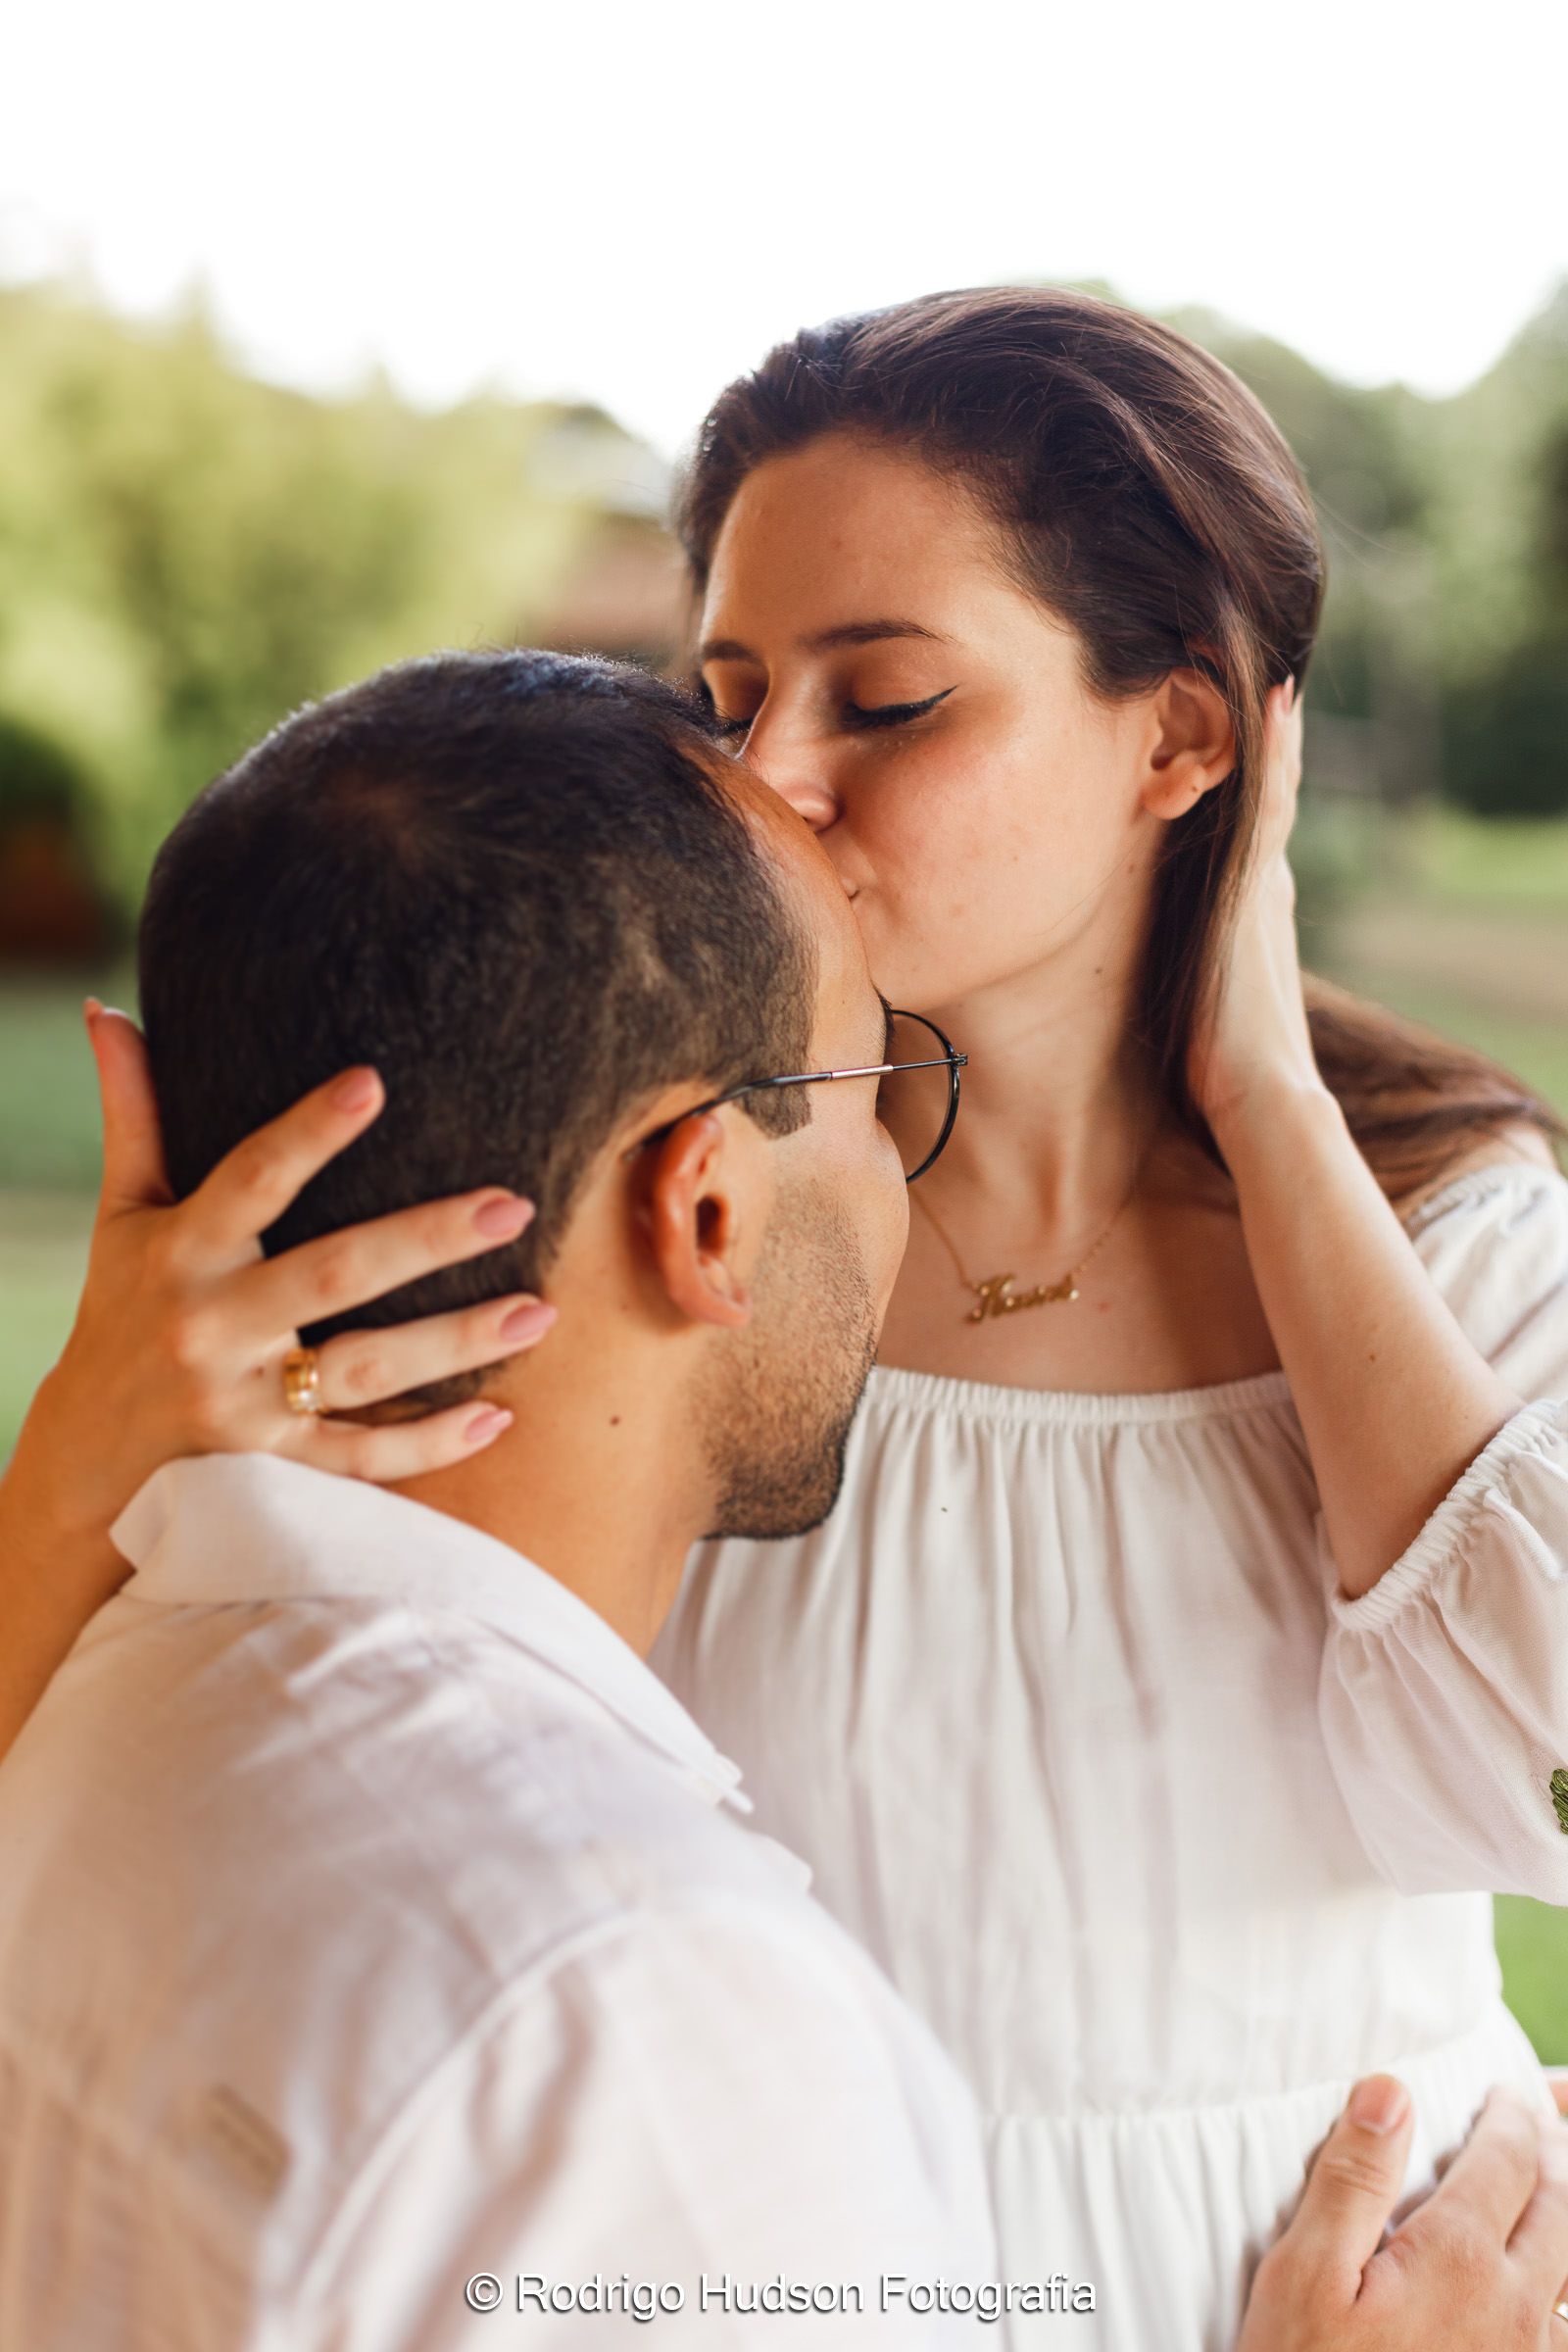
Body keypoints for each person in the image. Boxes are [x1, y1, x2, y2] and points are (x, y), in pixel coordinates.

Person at [5, 290, 1568, 2347]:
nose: (770, 779)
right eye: (726, 691)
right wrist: (89, 1450)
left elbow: (1528, 1765)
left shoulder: (1442, 1222)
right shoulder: (649, 1268)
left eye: (891, 698)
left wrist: (1264, 1094)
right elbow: (155, 1804)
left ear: (1179, 737)